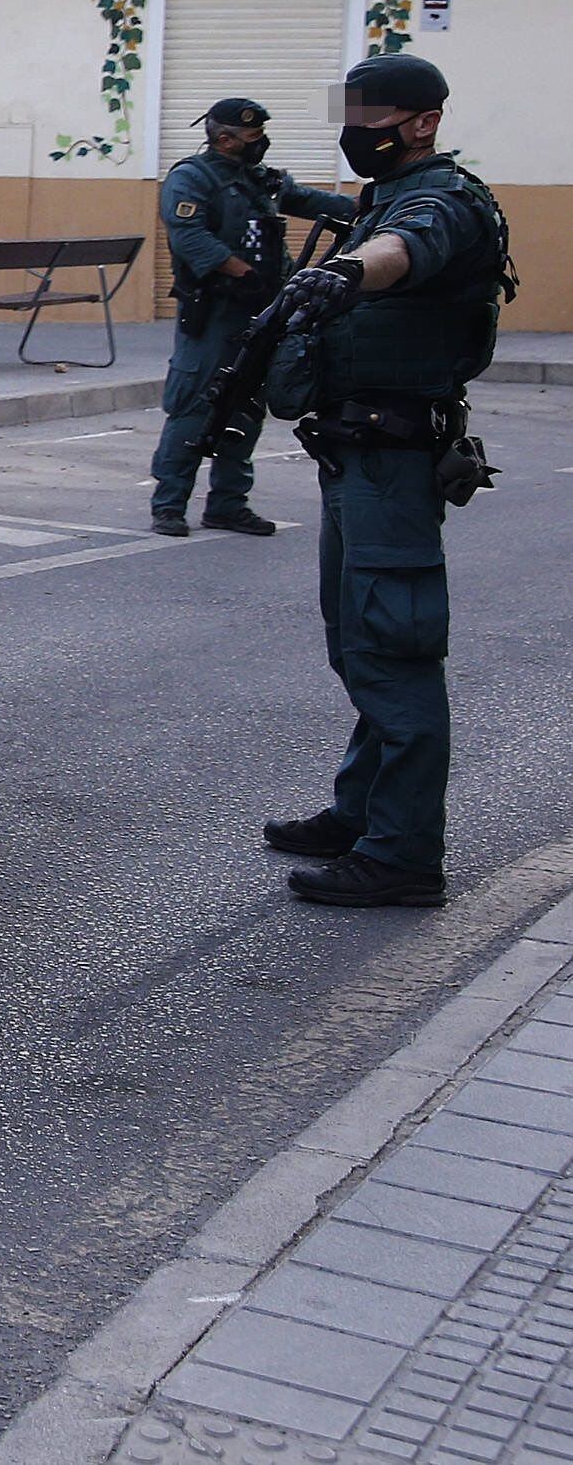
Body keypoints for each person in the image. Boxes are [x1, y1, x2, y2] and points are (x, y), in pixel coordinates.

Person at [259, 53, 513, 910]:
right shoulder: (384, 196)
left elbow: (407, 251)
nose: (355, 127)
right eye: (352, 110)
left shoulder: (445, 199)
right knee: (357, 643)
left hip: (391, 461)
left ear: (422, 122)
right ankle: (361, 811)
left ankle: (402, 856)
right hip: (353, 454)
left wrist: (345, 271)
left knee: (392, 649)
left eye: (372, 113)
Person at [149, 95, 355, 539]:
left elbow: (306, 200)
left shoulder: (256, 179)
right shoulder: (191, 178)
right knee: (195, 403)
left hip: (260, 310)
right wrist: (243, 273)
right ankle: (169, 504)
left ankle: (228, 504)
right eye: (252, 136)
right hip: (215, 311)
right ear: (224, 139)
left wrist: (370, 205)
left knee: (246, 403)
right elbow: (190, 236)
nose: (260, 143)